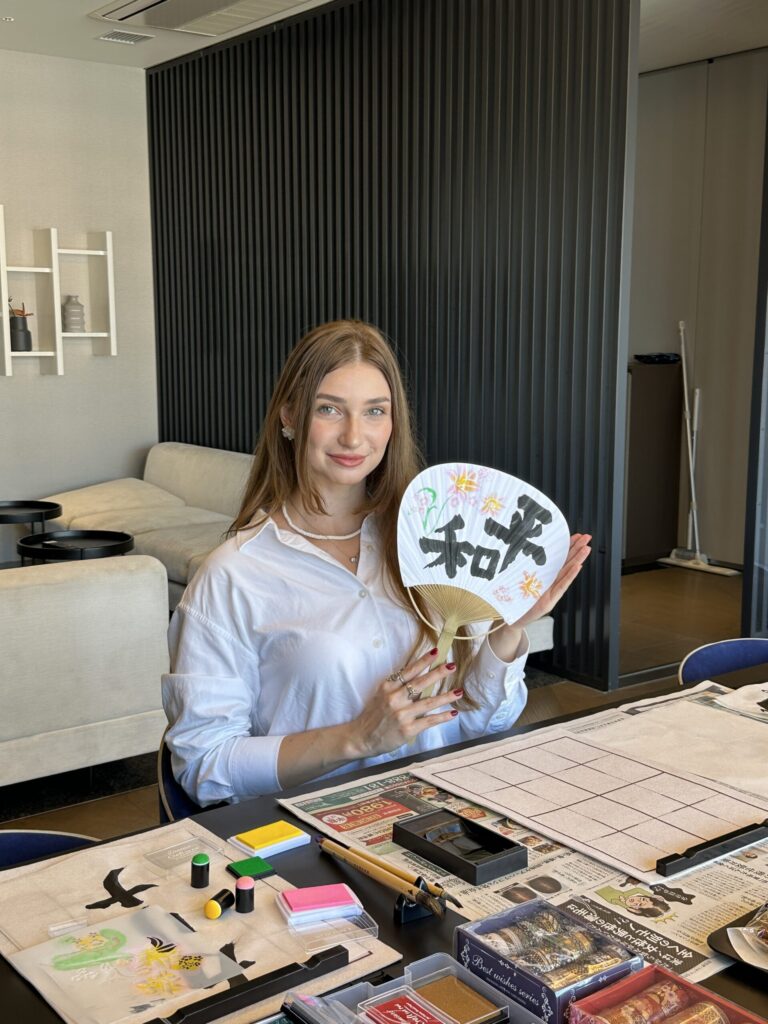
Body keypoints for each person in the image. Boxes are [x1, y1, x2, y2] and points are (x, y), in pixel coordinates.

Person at [162, 320, 591, 805]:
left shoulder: (435, 538)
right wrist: (356, 739)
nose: (353, 436)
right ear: (289, 416)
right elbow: (204, 766)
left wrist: (507, 631)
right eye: (329, 409)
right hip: (316, 830)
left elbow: (480, 723)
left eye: (374, 412)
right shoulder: (233, 575)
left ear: (393, 423)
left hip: (442, 816)